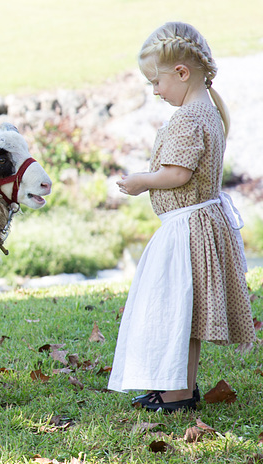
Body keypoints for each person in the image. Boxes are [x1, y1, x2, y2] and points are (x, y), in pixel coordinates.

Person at [108, 21, 256, 413]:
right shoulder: (206, 110)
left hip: (186, 229)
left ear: (181, 72)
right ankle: (178, 389)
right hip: (199, 224)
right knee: (184, 315)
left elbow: (178, 174)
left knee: (174, 310)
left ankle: (177, 393)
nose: (155, 91)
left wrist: (142, 181)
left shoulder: (189, 118)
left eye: (156, 82)